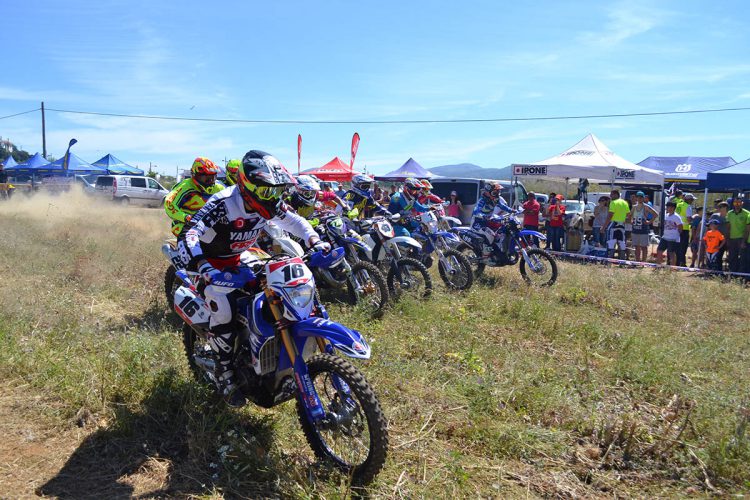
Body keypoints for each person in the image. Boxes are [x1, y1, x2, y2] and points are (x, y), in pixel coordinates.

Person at [178, 150, 330, 406]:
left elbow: (295, 222)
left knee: (276, 287)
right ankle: (225, 373)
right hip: (207, 261)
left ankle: (266, 350)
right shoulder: (223, 203)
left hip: (239, 256)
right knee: (224, 308)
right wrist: (203, 266)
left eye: (278, 191)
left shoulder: (270, 203)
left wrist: (315, 240)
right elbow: (190, 233)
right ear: (249, 187)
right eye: (268, 191)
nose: (274, 198)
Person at [164, 157, 226, 237]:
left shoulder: (219, 188)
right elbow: (169, 203)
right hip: (184, 223)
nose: (210, 182)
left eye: (212, 178)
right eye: (207, 178)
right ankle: (178, 248)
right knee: (193, 240)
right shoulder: (185, 187)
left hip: (209, 224)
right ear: (196, 175)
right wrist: (185, 217)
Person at [469, 181, 516, 258]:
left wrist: (512, 210)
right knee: (490, 235)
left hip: (486, 223)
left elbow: (502, 206)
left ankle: (496, 253)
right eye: (496, 191)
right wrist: (483, 215)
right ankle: (485, 255)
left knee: (499, 235)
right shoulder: (482, 201)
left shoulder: (495, 200)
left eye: (498, 191)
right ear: (489, 192)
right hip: (477, 223)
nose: (497, 193)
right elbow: (476, 211)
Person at [628, 191, 658, 262]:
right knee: (636, 247)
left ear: (643, 198)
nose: (639, 198)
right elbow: (629, 215)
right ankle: (637, 261)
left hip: (643, 230)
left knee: (644, 247)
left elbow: (656, 214)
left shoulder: (646, 207)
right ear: (636, 198)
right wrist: (631, 221)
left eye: (641, 197)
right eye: (638, 197)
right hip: (635, 230)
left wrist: (649, 222)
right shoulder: (634, 207)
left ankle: (644, 262)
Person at [601, 189, 630, 259]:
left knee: (611, 242)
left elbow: (610, 215)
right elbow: (628, 214)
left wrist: (604, 226)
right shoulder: (625, 203)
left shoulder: (613, 202)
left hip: (613, 224)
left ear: (616, 195)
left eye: (611, 194)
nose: (610, 196)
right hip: (622, 225)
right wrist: (624, 220)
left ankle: (609, 260)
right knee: (622, 243)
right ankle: (622, 260)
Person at [726, 197, 750, 273]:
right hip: (732, 239)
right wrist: (727, 239)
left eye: (739, 203)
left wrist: (743, 241)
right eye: (735, 203)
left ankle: (741, 275)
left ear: (742, 203)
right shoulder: (729, 213)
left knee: (742, 258)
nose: (737, 205)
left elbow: (747, 229)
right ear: (733, 204)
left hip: (741, 239)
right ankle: (732, 274)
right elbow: (728, 227)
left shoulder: (747, 213)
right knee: (732, 257)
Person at [656, 201, 682, 266]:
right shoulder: (665, 215)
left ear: (674, 208)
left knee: (671, 253)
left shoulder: (676, 217)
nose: (668, 208)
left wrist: (676, 236)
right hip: (665, 237)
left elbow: (680, 227)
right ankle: (659, 265)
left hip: (673, 238)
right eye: (667, 207)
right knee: (659, 251)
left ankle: (672, 268)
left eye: (670, 207)